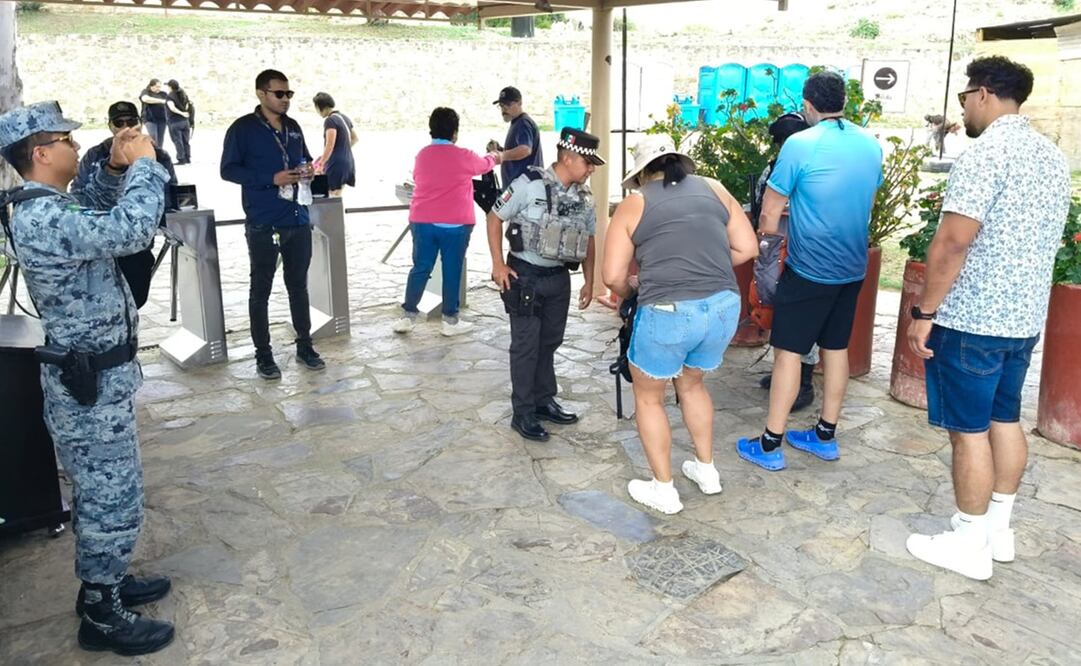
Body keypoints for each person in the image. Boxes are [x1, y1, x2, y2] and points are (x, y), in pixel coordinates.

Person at [0, 101, 174, 656]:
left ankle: (108, 582)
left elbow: (95, 212)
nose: (79, 147)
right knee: (110, 499)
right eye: (67, 141)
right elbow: (128, 229)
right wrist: (147, 164)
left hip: (98, 382)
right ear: (42, 154)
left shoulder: (48, 206)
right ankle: (101, 613)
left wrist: (118, 171)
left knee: (110, 492)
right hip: (89, 390)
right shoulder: (41, 216)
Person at [905, 56, 1071, 581]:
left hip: (973, 318)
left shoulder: (986, 154)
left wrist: (924, 312)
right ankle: (999, 531)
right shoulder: (1051, 156)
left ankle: (969, 539)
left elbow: (952, 242)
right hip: (1021, 320)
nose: (963, 111)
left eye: (962, 99)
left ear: (983, 94)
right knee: (1004, 419)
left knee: (967, 431)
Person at [735, 71, 883, 471]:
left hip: (809, 267)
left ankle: (769, 443)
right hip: (852, 268)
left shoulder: (800, 144)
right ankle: (824, 436)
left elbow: (768, 214)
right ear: (845, 102)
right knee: (836, 350)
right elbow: (867, 201)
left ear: (807, 104)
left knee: (788, 352)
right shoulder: (870, 144)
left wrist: (765, 254)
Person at [603, 135, 758, 514]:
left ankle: (664, 488)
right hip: (722, 307)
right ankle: (707, 471)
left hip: (668, 311)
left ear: (641, 175)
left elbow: (611, 276)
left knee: (649, 397)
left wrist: (634, 288)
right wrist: (706, 264)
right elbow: (747, 248)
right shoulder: (715, 188)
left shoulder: (634, 204)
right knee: (692, 385)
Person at [487, 127, 602, 442]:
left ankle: (542, 400)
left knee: (549, 342)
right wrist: (498, 264)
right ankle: (523, 412)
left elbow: (589, 241)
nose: (592, 169)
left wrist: (590, 281)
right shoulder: (529, 185)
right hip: (524, 275)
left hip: (558, 279)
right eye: (588, 162)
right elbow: (495, 217)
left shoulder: (584, 197)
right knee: (525, 346)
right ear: (567, 157)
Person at [221, 68, 325, 379]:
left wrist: (307, 169)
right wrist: (270, 179)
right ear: (261, 94)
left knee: (299, 286)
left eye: (289, 94)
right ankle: (263, 353)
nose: (285, 100)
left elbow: (304, 157)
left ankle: (304, 345)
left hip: (297, 217)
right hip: (264, 221)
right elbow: (228, 170)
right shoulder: (242, 129)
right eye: (279, 94)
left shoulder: (292, 127)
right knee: (261, 288)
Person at [393, 107, 503, 337]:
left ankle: (408, 316)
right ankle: (450, 321)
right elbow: (485, 165)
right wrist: (494, 154)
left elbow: (417, 177)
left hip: (423, 221)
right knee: (452, 270)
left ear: (431, 130)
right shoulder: (464, 155)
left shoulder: (422, 155)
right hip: (455, 225)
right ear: (455, 132)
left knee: (421, 267)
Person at [74, 100, 177, 309]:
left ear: (139, 122)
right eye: (119, 122)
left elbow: (168, 196)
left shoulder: (157, 154)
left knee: (135, 301)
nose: (125, 127)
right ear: (110, 125)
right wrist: (113, 169)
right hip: (101, 243)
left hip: (137, 247)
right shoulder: (96, 155)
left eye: (131, 121)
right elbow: (79, 196)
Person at [754, 112, 817, 412]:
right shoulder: (775, 168)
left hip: (802, 252)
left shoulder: (807, 168)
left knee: (803, 319)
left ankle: (804, 383)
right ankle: (785, 372)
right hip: (778, 250)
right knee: (778, 311)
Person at [492, 86, 543, 187]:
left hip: (524, 189)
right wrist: (501, 150)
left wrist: (502, 155)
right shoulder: (517, 122)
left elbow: (525, 150)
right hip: (519, 187)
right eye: (501, 105)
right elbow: (518, 150)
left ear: (519, 103)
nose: (504, 109)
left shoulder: (523, 123)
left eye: (508, 105)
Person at [312, 92, 357, 197]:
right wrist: (342, 148)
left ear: (319, 107)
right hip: (348, 162)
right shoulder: (345, 118)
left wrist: (321, 164)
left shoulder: (330, 120)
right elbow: (355, 138)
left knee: (331, 197)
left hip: (336, 164)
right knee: (338, 196)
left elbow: (330, 144)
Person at [165, 79, 193, 165]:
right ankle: (188, 158)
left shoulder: (170, 96)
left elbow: (172, 108)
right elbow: (189, 104)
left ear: (170, 87)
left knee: (178, 140)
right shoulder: (183, 94)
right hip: (185, 122)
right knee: (186, 140)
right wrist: (186, 113)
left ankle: (181, 159)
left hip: (175, 121)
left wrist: (181, 113)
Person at [139, 79, 169, 149]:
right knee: (153, 138)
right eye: (157, 86)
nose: (158, 88)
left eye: (159, 87)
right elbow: (145, 99)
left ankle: (159, 155)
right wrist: (161, 101)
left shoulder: (163, 94)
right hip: (149, 119)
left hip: (162, 120)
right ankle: (153, 154)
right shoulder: (146, 92)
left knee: (160, 140)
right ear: (151, 86)